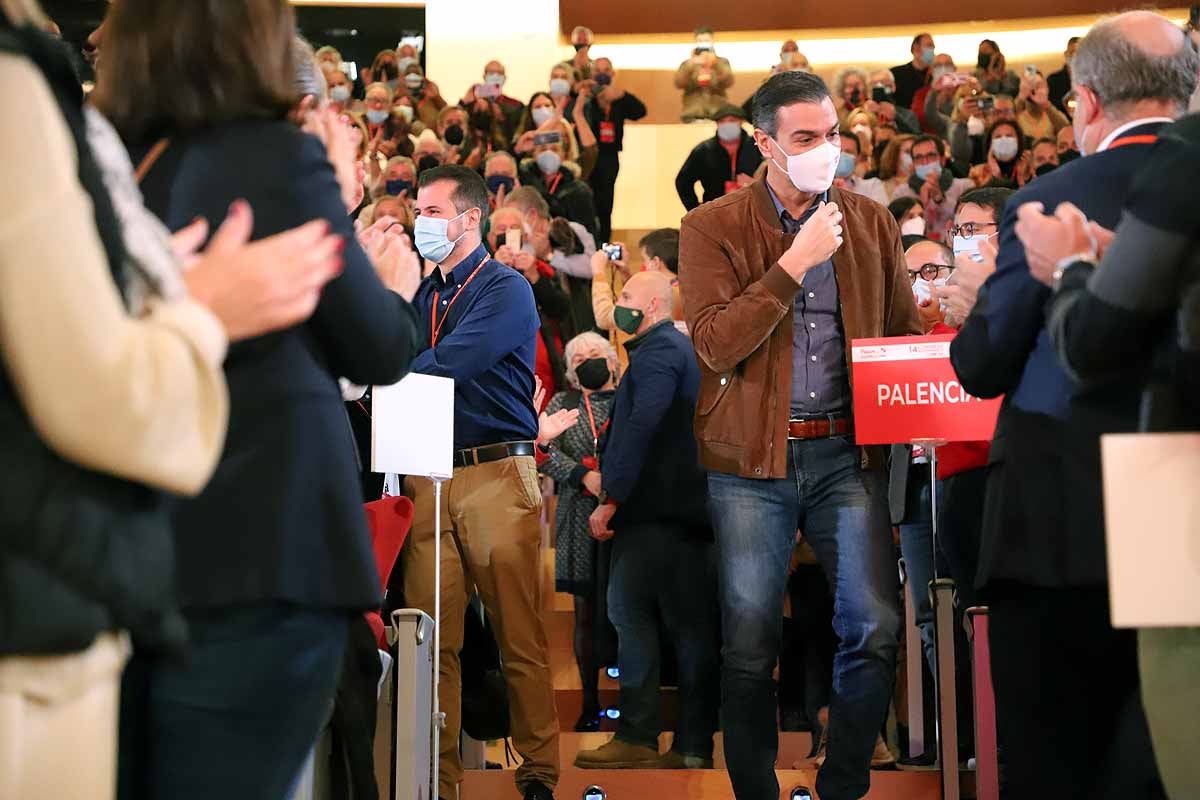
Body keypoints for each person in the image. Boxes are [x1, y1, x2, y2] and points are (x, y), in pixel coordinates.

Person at [0, 8, 346, 797]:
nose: (90, 36)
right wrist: (200, 311)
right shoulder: (16, 86)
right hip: (59, 590)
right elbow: (106, 396)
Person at [91, 2, 425, 798]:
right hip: (266, 547)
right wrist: (396, 288)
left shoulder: (115, 159)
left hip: (141, 541)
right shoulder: (271, 155)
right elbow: (375, 344)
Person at [948, 12, 1196, 797]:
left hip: (1062, 530)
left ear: (1084, 104)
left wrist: (980, 304)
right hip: (1184, 531)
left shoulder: (1052, 201)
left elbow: (984, 365)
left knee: (1055, 765)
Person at [679, 69, 921, 800]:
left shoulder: (871, 222)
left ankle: (842, 784)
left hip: (851, 452)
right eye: (806, 138)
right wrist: (793, 263)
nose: (826, 150)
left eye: (834, 135)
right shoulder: (709, 227)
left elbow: (902, 337)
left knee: (874, 628)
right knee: (749, 643)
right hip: (753, 460)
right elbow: (716, 343)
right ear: (764, 143)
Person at [1015, 113, 1200, 800]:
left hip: (1183, 478)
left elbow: (1094, 343)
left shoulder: (1187, 155)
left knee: (1176, 732)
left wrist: (1071, 268)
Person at [402, 165, 559, 800]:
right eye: (419, 210)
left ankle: (540, 772)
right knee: (432, 637)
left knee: (518, 633)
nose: (422, 223)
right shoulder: (420, 295)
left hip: (495, 470)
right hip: (426, 471)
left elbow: (454, 360)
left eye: (434, 211)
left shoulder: (505, 288)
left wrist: (387, 372)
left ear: (470, 219)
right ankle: (436, 777)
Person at [574, 271, 720, 771]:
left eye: (627, 297)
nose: (619, 306)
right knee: (692, 630)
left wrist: (610, 495)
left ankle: (637, 734)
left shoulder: (658, 354)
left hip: (654, 513)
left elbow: (641, 426)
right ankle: (693, 745)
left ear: (654, 305)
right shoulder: (683, 351)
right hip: (690, 514)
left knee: (629, 614)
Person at [537, 332, 620, 731]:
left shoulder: (628, 398)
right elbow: (542, 449)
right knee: (585, 611)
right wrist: (583, 475)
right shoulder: (563, 402)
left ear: (612, 360)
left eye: (596, 353)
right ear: (571, 369)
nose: (588, 359)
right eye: (580, 356)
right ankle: (590, 705)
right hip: (577, 510)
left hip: (625, 511)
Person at [489, 204, 572, 404]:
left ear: (525, 237)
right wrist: (494, 270)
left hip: (539, 356)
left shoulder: (542, 269)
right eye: (502, 229)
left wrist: (534, 275)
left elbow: (561, 309)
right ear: (491, 238)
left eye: (514, 228)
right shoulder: (480, 270)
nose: (508, 234)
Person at [505, 186, 597, 336]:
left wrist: (549, 255)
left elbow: (591, 267)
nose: (512, 225)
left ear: (532, 215)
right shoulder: (518, 245)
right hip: (541, 326)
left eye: (515, 217)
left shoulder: (571, 230)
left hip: (579, 316)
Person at [581, 56, 646, 244]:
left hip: (609, 156)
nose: (602, 74)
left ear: (613, 74)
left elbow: (640, 111)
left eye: (606, 70)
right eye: (597, 70)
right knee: (587, 200)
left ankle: (604, 243)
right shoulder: (586, 98)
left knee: (606, 202)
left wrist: (622, 95)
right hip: (588, 156)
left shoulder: (618, 98)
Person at [675, 104, 763, 211]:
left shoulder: (757, 146)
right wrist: (695, 210)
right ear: (717, 124)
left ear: (741, 122)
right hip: (715, 211)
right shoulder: (704, 150)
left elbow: (776, 176)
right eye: (722, 121)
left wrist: (756, 184)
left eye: (732, 120)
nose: (727, 124)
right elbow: (683, 181)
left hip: (752, 209)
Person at [518, 128, 599, 239]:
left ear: (564, 156)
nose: (548, 153)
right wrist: (517, 150)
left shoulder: (578, 190)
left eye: (554, 149)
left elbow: (588, 233)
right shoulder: (523, 182)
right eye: (542, 149)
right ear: (533, 155)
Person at [893, 134, 975, 241]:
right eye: (919, 158)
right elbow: (896, 229)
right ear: (913, 164)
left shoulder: (964, 187)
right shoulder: (902, 193)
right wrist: (921, 207)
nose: (925, 162)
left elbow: (969, 222)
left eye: (931, 156)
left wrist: (940, 199)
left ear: (942, 160)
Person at [675, 26, 734, 122]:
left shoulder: (722, 62)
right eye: (700, 40)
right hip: (692, 115)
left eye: (706, 40)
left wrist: (715, 63)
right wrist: (691, 63)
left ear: (712, 41)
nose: (703, 43)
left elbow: (728, 82)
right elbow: (679, 83)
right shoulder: (687, 64)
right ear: (695, 42)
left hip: (718, 113)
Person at [834, 129, 888, 206]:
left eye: (848, 152)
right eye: (838, 151)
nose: (842, 155)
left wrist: (850, 198)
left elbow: (881, 216)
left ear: (858, 158)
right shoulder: (818, 188)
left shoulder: (872, 186)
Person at [1015, 73, 1071, 142]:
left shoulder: (1052, 114)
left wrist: (1046, 104)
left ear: (1047, 89)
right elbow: (1005, 122)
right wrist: (1021, 98)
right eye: (1030, 85)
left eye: (1039, 85)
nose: (1034, 89)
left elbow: (1066, 130)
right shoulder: (1018, 115)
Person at [480, 60, 526, 142]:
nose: (495, 76)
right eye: (491, 73)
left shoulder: (515, 105)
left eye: (499, 73)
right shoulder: (476, 105)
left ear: (504, 78)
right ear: (484, 77)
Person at [866, 69, 921, 134]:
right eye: (874, 85)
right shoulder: (860, 115)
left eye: (884, 83)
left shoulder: (907, 115)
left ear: (893, 87)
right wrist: (867, 115)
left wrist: (896, 117)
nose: (880, 86)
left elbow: (915, 137)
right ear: (868, 91)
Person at [892, 33, 935, 109]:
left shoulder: (934, 75)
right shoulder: (897, 74)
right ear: (916, 48)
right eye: (929, 46)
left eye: (933, 47)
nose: (932, 50)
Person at [877, 133, 916, 201]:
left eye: (915, 152)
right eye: (908, 152)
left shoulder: (923, 185)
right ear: (895, 155)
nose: (913, 156)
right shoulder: (879, 186)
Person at [1047, 36, 1080, 114]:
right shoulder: (1053, 81)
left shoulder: (1091, 80)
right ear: (1066, 54)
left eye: (1079, 54)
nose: (1075, 57)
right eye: (1072, 53)